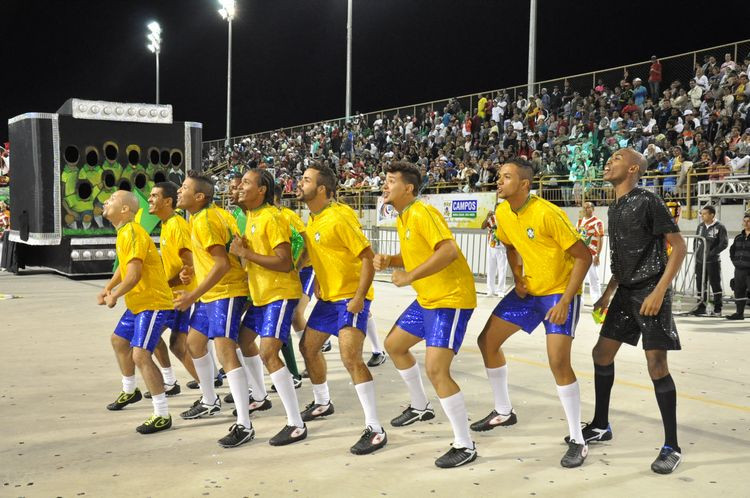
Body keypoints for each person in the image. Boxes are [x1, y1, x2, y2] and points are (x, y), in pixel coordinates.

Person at [473, 157, 593, 469]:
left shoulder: (547, 213)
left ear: (524, 184)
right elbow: (509, 244)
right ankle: (503, 411)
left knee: (558, 362)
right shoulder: (502, 211)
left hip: (558, 293)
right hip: (529, 291)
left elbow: (584, 256)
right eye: (499, 176)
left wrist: (566, 300)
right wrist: (517, 275)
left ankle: (577, 440)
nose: (499, 182)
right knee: (487, 342)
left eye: (507, 177)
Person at [583, 148, 687, 474]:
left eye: (614, 158)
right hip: (625, 293)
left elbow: (679, 246)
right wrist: (607, 293)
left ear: (631, 169)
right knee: (601, 353)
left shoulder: (648, 201)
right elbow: (625, 257)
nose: (608, 161)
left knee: (656, 365)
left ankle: (672, 445)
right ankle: (601, 424)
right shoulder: (613, 208)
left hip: (650, 291)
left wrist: (659, 291)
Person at [375, 161, 478, 468]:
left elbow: (447, 251)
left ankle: (465, 444)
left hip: (451, 299)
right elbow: (417, 254)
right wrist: (393, 260)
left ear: (408, 188)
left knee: (436, 370)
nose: (384, 185)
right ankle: (421, 407)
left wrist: (408, 276)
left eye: (391, 181)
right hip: (428, 299)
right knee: (394, 345)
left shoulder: (423, 212)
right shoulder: (404, 217)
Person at [296, 162, 387, 455]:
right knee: (307, 348)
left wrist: (360, 297)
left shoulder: (340, 216)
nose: (299, 184)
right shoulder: (313, 217)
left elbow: (366, 257)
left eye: (306, 180)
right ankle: (323, 402)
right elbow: (317, 253)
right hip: (328, 299)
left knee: (350, 358)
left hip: (350, 297)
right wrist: (316, 278)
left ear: (321, 189)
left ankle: (375, 429)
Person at [173, 171, 254, 448]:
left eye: (184, 188)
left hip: (226, 292)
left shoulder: (206, 219)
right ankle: (210, 400)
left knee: (225, 352)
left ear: (199, 197)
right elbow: (214, 260)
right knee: (194, 344)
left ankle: (244, 423)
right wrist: (192, 272)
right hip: (213, 294)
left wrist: (191, 294)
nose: (179, 191)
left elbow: (222, 264)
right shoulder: (206, 216)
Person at [229, 169, 307, 445]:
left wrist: (245, 253)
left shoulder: (272, 217)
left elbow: (284, 261)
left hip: (279, 294)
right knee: (242, 340)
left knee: (268, 352)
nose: (239, 187)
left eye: (246, 183)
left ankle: (296, 423)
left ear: (262, 190)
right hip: (261, 296)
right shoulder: (249, 216)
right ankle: (261, 397)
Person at [97, 190, 175, 434]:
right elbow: (124, 265)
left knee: (140, 355)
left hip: (152, 303)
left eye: (111, 200)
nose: (106, 202)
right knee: (119, 341)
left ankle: (162, 414)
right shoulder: (124, 232)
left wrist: (115, 296)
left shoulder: (131, 232)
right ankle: (130, 390)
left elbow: (134, 275)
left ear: (124, 210)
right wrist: (108, 287)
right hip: (139, 303)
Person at [145, 181, 199, 397]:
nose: (150, 199)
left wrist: (166, 284)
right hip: (172, 295)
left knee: (163, 340)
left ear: (168, 201)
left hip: (180, 296)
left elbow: (191, 263)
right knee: (169, 341)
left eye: (154, 195)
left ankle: (207, 390)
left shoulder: (177, 225)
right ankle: (172, 382)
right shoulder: (167, 224)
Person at [690, 205, 728, 316]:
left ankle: (718, 308)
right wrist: (696, 253)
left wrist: (711, 254)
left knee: (715, 284)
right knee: (700, 284)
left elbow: (724, 243)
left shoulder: (720, 227)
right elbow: (696, 241)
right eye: (701, 213)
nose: (702, 215)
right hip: (700, 261)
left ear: (712, 215)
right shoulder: (700, 226)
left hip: (712, 261)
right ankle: (701, 306)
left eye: (705, 213)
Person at [576, 202, 604, 304]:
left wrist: (597, 255)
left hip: (592, 254)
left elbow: (600, 238)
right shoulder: (579, 222)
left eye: (588, 207)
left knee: (594, 280)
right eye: (584, 208)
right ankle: (580, 302)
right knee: (579, 279)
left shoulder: (598, 222)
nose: (585, 209)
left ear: (593, 209)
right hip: (580, 255)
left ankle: (597, 303)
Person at [481, 199, 507, 297]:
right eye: (496, 208)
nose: (497, 210)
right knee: (490, 270)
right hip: (491, 247)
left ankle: (500, 291)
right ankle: (490, 290)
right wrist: (487, 217)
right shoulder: (491, 218)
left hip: (502, 248)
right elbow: (482, 227)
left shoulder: (506, 219)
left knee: (502, 270)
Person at [727, 213, 750, 320]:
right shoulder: (738, 237)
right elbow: (732, 251)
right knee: (739, 291)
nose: (746, 223)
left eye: (748, 221)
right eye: (744, 221)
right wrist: (735, 261)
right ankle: (739, 313)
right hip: (739, 269)